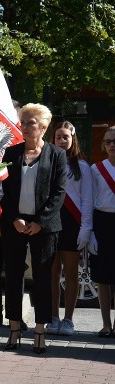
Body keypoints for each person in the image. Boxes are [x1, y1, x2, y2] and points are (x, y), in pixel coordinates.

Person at [0, 103, 66, 354]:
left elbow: (59, 193)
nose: (25, 127)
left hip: (44, 226)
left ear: (44, 127)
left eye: (30, 123)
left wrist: (41, 221)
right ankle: (15, 329)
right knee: (14, 276)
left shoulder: (56, 155)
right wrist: (15, 218)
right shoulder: (11, 153)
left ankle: (40, 331)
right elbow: (4, 190)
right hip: (14, 223)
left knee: (42, 277)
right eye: (23, 122)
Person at [46, 121, 92, 336]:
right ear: (52, 139)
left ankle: (68, 320)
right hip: (51, 223)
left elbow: (87, 200)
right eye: (58, 137)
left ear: (73, 139)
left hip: (73, 224)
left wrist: (86, 228)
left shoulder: (82, 167)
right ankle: (53, 317)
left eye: (66, 137)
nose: (62, 141)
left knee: (71, 274)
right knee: (52, 272)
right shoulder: (46, 162)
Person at [90, 126, 115, 337]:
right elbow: (89, 201)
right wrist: (90, 233)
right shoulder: (96, 169)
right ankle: (106, 324)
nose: (112, 145)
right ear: (103, 145)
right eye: (108, 141)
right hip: (103, 223)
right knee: (103, 278)